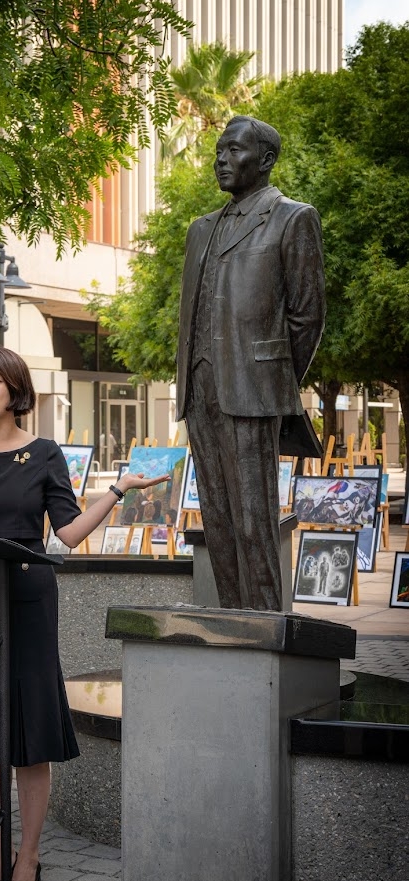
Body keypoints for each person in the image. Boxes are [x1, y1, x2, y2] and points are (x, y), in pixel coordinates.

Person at [0, 346, 168, 881]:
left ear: (15, 390)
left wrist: (117, 490)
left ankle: (29, 858)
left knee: (28, 738)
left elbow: (69, 532)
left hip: (27, 603)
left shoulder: (43, 454)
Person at [176, 115, 326, 611]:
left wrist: (271, 378)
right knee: (216, 517)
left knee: (253, 520)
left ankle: (263, 630)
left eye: (234, 150)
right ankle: (230, 624)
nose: (222, 159)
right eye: (219, 150)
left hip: (251, 390)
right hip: (198, 391)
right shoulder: (200, 229)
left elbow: (307, 316)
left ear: (265, 160)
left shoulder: (292, 218)